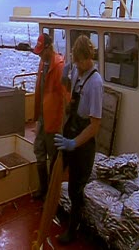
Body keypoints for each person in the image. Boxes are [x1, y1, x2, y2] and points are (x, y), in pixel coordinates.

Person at [54, 34, 103, 244]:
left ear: (87, 58)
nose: (78, 66)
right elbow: (68, 92)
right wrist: (65, 79)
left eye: (80, 62)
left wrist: (74, 143)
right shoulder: (77, 72)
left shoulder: (95, 83)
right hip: (70, 128)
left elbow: (95, 126)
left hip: (83, 140)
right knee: (55, 169)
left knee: (75, 188)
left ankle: (73, 230)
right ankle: (52, 208)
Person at [32, 33, 68, 201]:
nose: (39, 55)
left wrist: (63, 126)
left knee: (54, 157)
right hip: (42, 119)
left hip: (54, 122)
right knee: (39, 151)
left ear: (48, 48)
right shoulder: (42, 63)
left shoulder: (59, 67)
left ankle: (52, 194)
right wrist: (38, 119)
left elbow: (66, 98)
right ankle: (43, 187)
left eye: (41, 51)